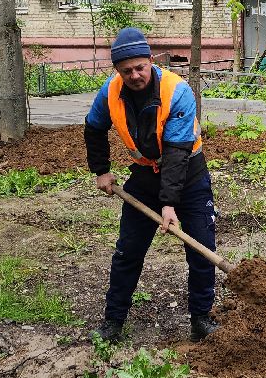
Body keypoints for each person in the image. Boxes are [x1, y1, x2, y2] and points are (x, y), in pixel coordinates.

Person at [84, 27, 219, 344]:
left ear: (150, 60)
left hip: (189, 175)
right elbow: (93, 127)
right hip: (144, 177)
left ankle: (201, 318)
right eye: (126, 70)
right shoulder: (110, 92)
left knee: (202, 249)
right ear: (118, 70)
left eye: (139, 67)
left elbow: (176, 153)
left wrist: (169, 203)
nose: (134, 75)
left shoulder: (177, 91)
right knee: (128, 252)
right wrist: (101, 171)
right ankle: (113, 322)